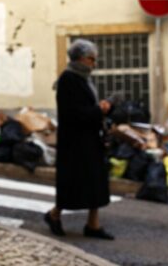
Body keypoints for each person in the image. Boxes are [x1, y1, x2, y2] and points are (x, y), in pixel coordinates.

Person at [45, 38, 114, 240]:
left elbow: (87, 109)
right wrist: (98, 109)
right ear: (80, 58)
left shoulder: (84, 79)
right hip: (75, 142)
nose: (94, 63)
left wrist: (105, 108)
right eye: (91, 58)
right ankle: (54, 215)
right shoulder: (68, 79)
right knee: (73, 183)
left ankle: (93, 224)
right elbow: (73, 113)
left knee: (95, 182)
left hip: (90, 139)